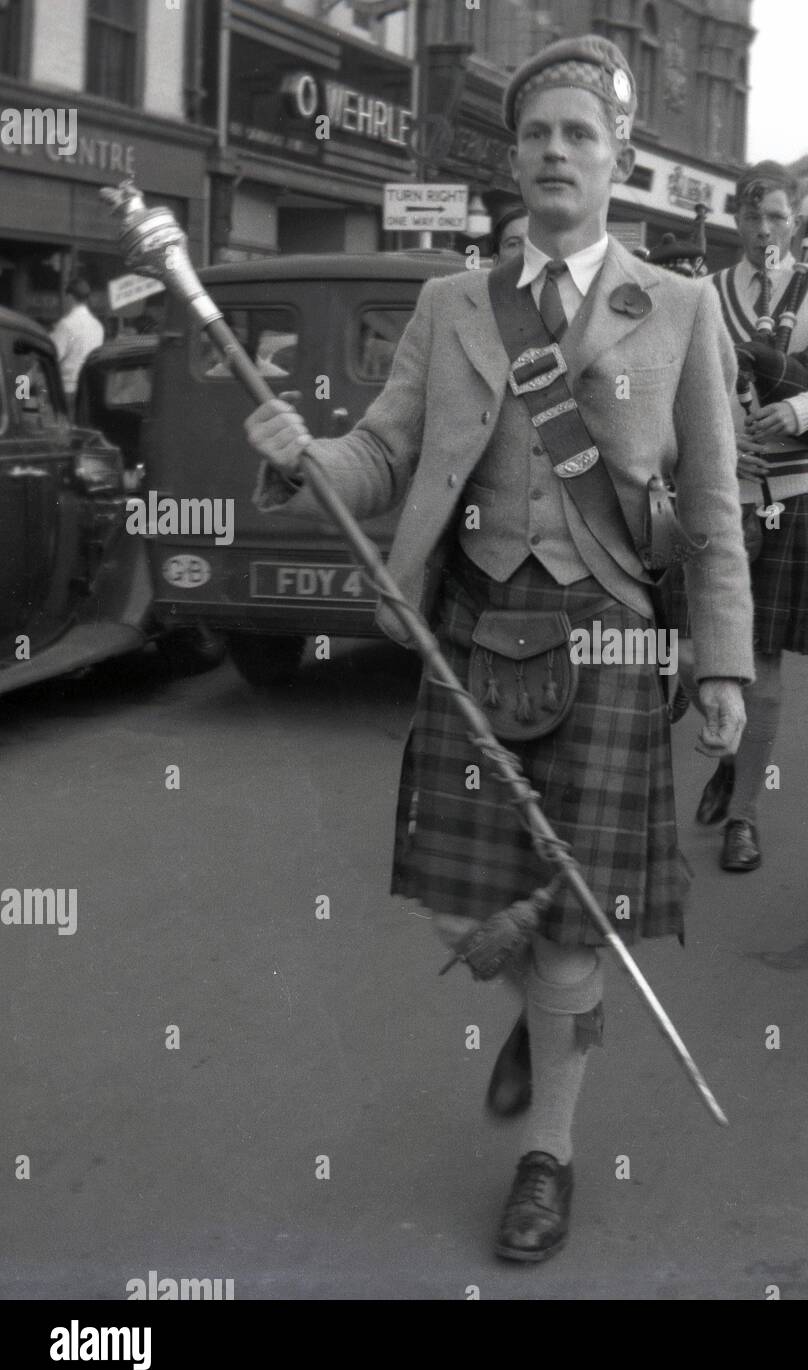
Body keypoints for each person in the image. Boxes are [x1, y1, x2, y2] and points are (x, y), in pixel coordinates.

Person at [242, 34, 752, 1264]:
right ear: (511, 160)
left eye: (578, 135)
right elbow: (380, 458)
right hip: (469, 629)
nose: (554, 153)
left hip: (613, 640)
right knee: (472, 912)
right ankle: (547, 995)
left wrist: (723, 662)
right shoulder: (448, 302)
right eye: (535, 136)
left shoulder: (677, 307)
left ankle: (547, 1158)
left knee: (572, 932)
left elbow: (718, 503)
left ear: (618, 160)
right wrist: (303, 455)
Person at [691, 161, 808, 872]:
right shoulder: (704, 295)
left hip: (791, 491)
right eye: (750, 217)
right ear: (733, 220)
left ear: (795, 220)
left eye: (776, 217)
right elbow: (678, 392)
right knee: (691, 656)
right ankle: (732, 749)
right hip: (719, 493)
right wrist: (717, 443)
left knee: (762, 662)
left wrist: (799, 409)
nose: (763, 230)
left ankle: (743, 816)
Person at [50, 277, 104, 406]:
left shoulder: (66, 324)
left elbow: (53, 356)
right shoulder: (98, 326)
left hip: (67, 389)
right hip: (89, 390)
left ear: (69, 297)